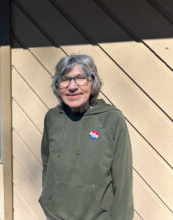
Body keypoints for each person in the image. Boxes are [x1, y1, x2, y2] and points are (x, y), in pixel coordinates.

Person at [38, 55, 134, 220]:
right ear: (57, 85)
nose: (72, 86)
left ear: (93, 83)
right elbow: (47, 165)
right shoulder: (52, 118)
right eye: (65, 79)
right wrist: (48, 200)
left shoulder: (111, 119)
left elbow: (123, 183)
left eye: (81, 78)